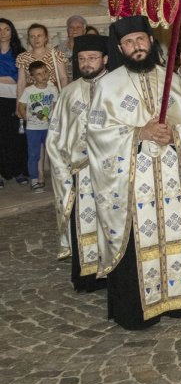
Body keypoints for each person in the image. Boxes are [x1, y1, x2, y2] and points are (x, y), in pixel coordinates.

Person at [86, 16, 181, 329]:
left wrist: (174, 134)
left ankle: (176, 298)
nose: (137, 47)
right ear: (120, 48)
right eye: (129, 43)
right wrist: (139, 133)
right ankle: (136, 308)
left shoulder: (167, 78)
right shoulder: (107, 85)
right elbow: (97, 135)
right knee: (137, 242)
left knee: (173, 231)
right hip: (130, 179)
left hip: (169, 172)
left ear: (150, 40)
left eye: (141, 40)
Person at [47, 34, 109, 290]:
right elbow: (55, 136)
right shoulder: (69, 94)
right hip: (80, 173)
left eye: (93, 58)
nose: (87, 63)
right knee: (83, 221)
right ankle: (87, 276)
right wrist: (63, 169)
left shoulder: (117, 88)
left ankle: (113, 270)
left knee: (110, 221)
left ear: (105, 59)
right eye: (82, 59)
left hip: (111, 171)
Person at [17, 61, 57, 194]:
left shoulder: (53, 89)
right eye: (39, 74)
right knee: (34, 155)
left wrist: (54, 120)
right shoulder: (29, 91)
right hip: (33, 129)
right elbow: (21, 107)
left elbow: (55, 105)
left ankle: (57, 179)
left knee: (53, 152)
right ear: (33, 76)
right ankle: (34, 181)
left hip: (49, 128)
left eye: (45, 72)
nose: (43, 76)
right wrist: (27, 119)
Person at [0, 18, 27, 187]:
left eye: (6, 29)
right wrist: (9, 78)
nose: (3, 33)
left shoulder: (20, 52)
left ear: (12, 32)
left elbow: (20, 79)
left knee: (14, 137)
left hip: (14, 99)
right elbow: (11, 78)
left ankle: (17, 170)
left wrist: (9, 78)